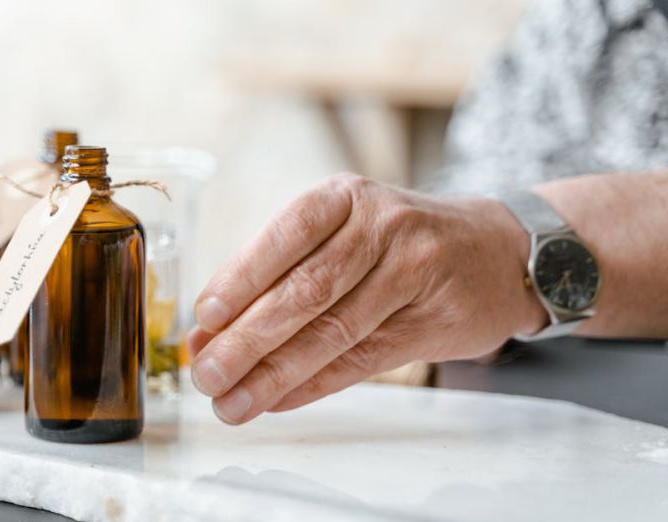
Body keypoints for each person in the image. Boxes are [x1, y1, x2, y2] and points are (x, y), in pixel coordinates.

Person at [188, 0, 668, 425]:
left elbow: (500, 240)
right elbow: (488, 168)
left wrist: (507, 250)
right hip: (507, 406)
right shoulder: (581, 17)